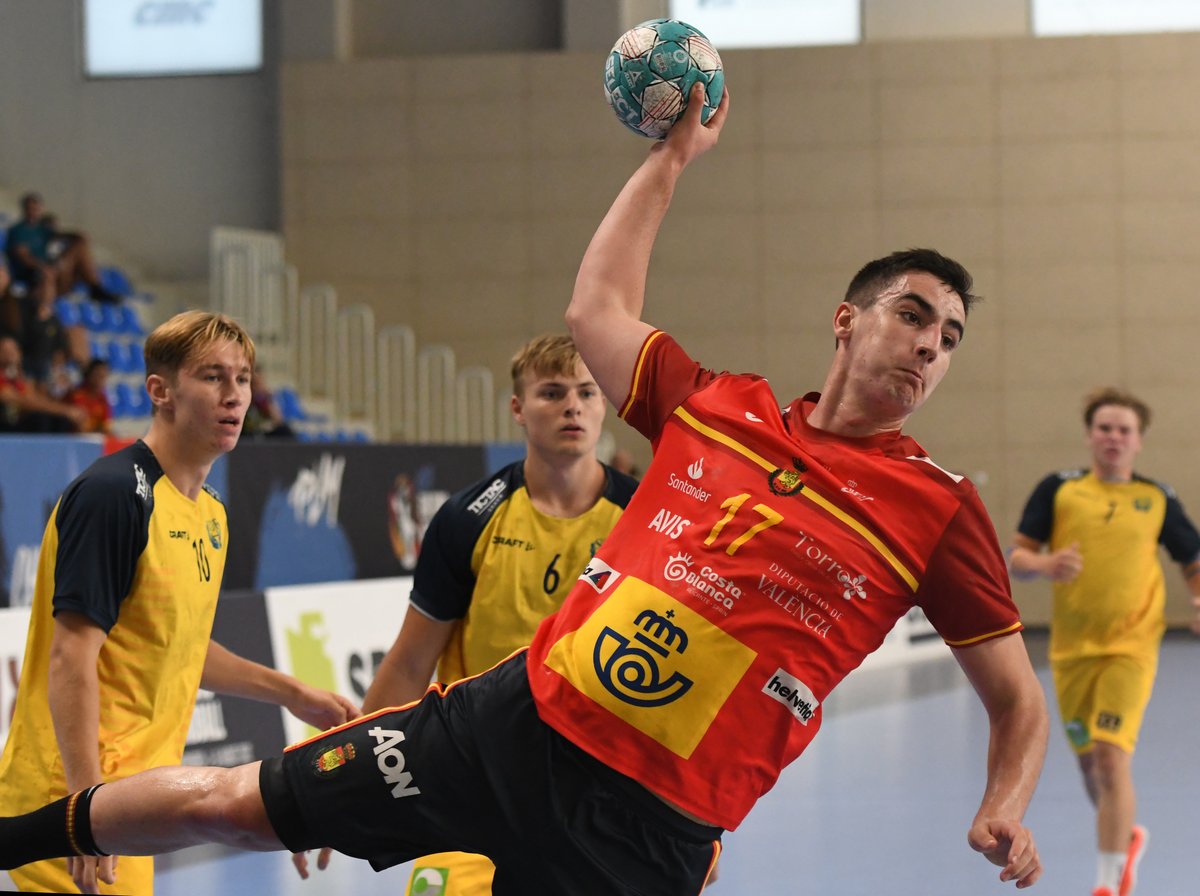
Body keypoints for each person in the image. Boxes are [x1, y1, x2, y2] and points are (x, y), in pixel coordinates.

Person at [0, 87, 1049, 895]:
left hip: (653, 819)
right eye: (912, 314)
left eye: (950, 337)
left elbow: (1015, 699)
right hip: (517, 722)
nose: (928, 345)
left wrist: (1005, 801)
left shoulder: (938, 507)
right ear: (849, 319)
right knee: (238, 804)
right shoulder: (720, 407)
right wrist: (671, 159)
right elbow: (597, 303)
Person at [0, 310, 359, 896]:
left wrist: (295, 694)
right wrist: (85, 816)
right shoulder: (114, 494)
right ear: (160, 391)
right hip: (69, 802)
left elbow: (183, 647)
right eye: (212, 377)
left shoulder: (210, 512)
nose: (234, 395)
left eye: (242, 378)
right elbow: (72, 659)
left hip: (136, 806)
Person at [292, 334, 639, 893]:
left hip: (595, 788)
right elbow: (408, 664)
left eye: (587, 392)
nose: (572, 406)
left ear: (605, 406)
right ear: (518, 408)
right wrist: (337, 783)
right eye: (551, 392)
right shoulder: (468, 520)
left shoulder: (642, 522)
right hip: (473, 778)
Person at [1009, 386, 1200, 896]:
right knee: (1091, 763)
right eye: (1105, 428)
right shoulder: (1059, 489)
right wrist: (1046, 564)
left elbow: (1193, 561)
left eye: (1125, 430)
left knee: (1112, 756)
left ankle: (1109, 883)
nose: (1114, 437)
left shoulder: (1156, 498)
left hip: (1132, 647)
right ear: (1091, 436)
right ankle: (1128, 833)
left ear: (1139, 441)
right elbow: (1019, 558)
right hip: (1072, 652)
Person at [4, 192, 120, 305]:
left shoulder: (42, 229)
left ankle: (95, 287)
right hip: (34, 274)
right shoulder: (17, 230)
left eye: (36, 208)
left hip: (53, 270)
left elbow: (59, 235)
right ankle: (90, 286)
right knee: (52, 270)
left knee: (80, 245)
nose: (34, 212)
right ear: (24, 209)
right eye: (30, 208)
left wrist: (78, 236)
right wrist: (43, 267)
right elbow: (24, 257)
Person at [0, 334, 86, 432]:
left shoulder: (21, 377)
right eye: (4, 350)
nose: (10, 354)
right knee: (40, 418)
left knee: (61, 420)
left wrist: (67, 411)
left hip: (19, 422)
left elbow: (35, 398)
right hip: (6, 426)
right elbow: (25, 401)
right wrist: (66, 410)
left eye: (13, 350)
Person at [66, 358, 113, 434]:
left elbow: (105, 427)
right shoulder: (76, 396)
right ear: (88, 375)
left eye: (104, 376)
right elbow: (82, 428)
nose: (101, 380)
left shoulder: (102, 399)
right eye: (98, 375)